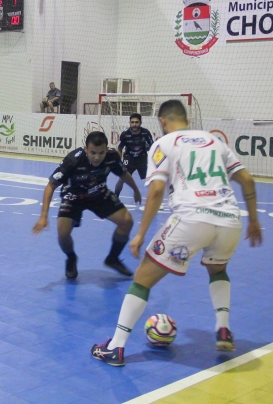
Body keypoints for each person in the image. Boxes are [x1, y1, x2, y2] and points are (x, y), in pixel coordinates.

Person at [91, 100, 262, 367]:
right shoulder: (215, 141)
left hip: (192, 218)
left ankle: (116, 347)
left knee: (142, 279)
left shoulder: (164, 143)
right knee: (218, 270)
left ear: (162, 121)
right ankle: (223, 328)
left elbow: (157, 191)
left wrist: (141, 233)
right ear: (187, 119)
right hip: (230, 220)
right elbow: (247, 180)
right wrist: (254, 220)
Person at [32, 131, 142, 279]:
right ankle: (71, 257)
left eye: (101, 153)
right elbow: (50, 186)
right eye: (93, 153)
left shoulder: (112, 157)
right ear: (86, 149)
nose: (97, 157)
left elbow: (123, 174)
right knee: (63, 233)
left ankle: (113, 258)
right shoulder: (73, 160)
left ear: (106, 149)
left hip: (98, 194)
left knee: (127, 221)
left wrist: (135, 189)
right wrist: (43, 216)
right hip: (73, 196)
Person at [115, 113, 154, 198]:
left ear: (140, 123)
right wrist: (119, 161)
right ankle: (115, 198)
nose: (134, 124)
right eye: (132, 122)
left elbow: (153, 146)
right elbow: (120, 148)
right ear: (129, 123)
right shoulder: (125, 134)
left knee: (152, 178)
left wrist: (149, 148)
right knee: (122, 178)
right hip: (129, 158)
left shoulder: (146, 133)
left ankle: (155, 199)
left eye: (136, 122)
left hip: (142, 157)